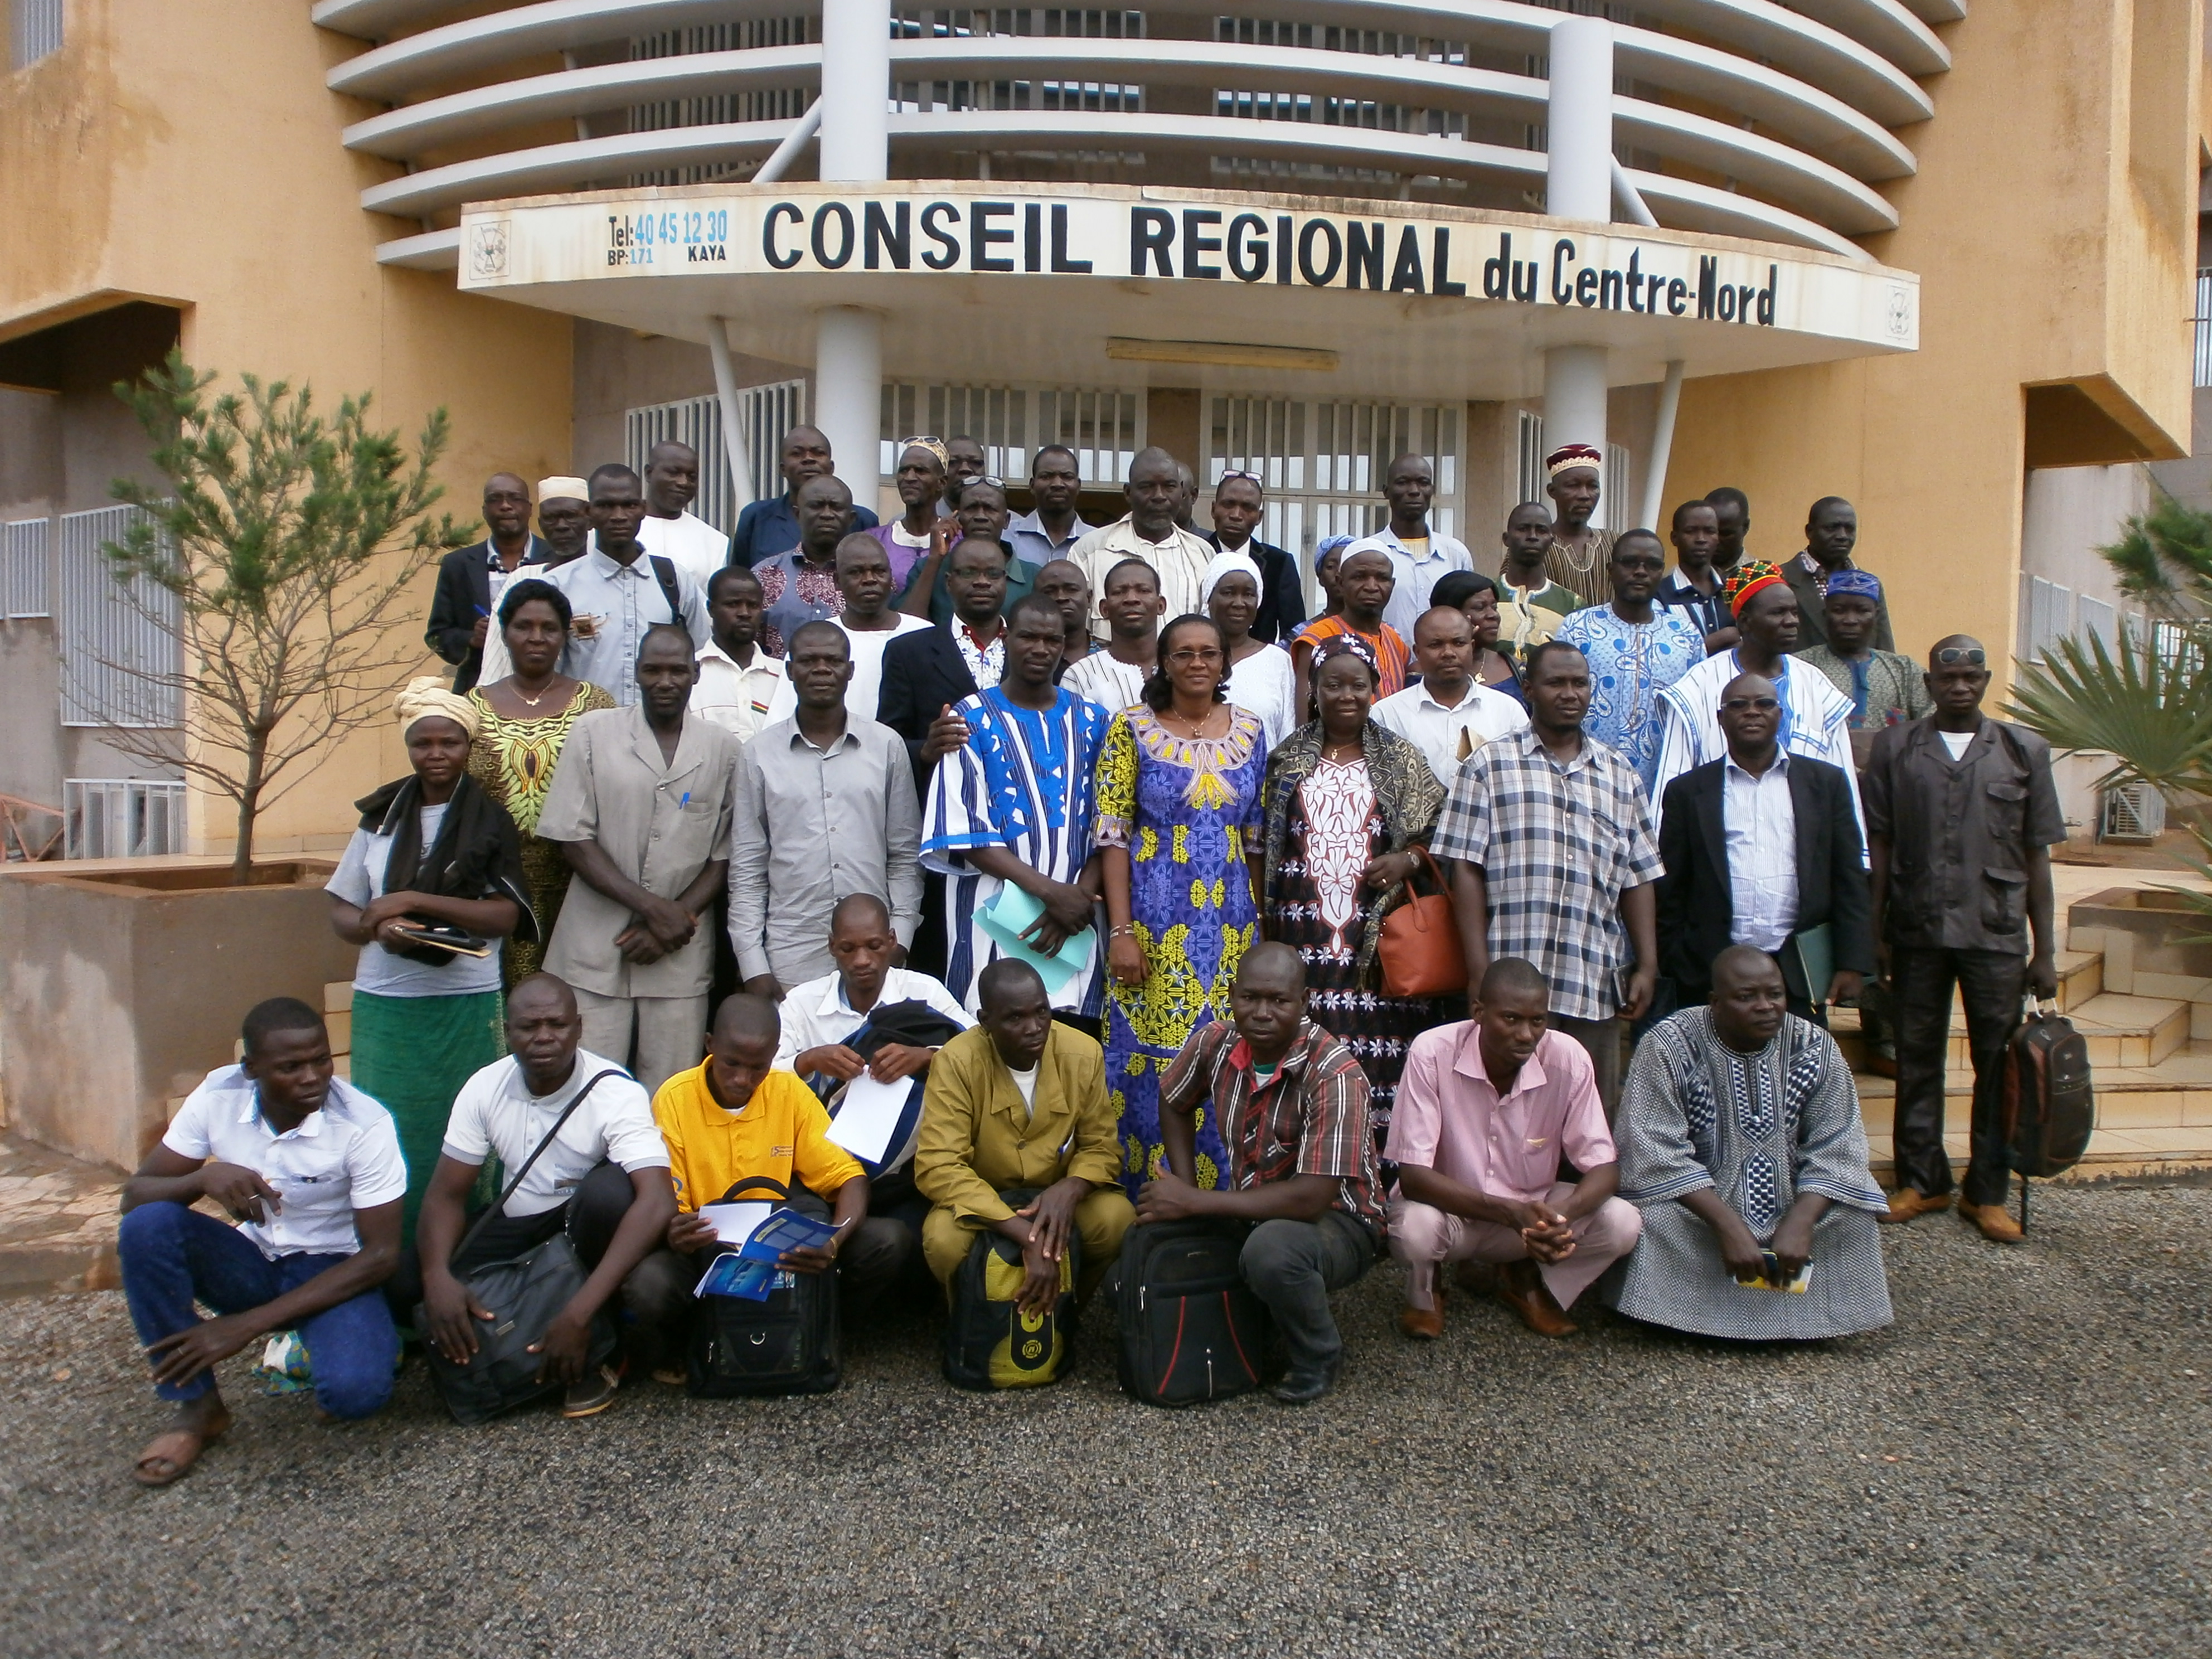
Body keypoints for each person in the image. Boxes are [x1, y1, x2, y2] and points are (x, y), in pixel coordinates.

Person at [118, 998, 405, 1486]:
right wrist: (202, 1180)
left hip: (330, 1268)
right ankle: (197, 1408)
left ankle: (329, 1341)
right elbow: (135, 1196)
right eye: (290, 1067)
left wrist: (245, 1327)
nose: (313, 1077)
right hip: (249, 1261)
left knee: (356, 1395)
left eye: (322, 1059)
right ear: (251, 1069)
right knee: (147, 1227)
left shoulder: (363, 1124)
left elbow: (381, 1256)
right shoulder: (217, 1096)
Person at [399, 973, 676, 1418]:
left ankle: (599, 1342)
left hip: (581, 1226)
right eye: (529, 1027)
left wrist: (577, 1312)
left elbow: (658, 1200)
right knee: (406, 1276)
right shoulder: (485, 1086)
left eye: (557, 1024)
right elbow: (446, 1196)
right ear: (509, 1032)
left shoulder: (616, 1092)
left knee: (610, 1192)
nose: (544, 1037)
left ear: (579, 1028)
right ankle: (503, 1340)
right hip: (518, 1223)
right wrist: (437, 1278)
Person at [1866, 636, 2064, 1243]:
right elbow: (1880, 848)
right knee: (1916, 1060)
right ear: (1927, 684)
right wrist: (1874, 937)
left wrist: (2046, 951)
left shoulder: (2021, 749)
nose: (1958, 686)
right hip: (1917, 930)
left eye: (1969, 677)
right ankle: (1921, 1181)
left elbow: (2037, 858)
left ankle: (1986, 1192)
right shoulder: (1895, 748)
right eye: (1946, 677)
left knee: (1996, 1063)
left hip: (1995, 932)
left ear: (1983, 681)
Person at [1603, 946, 1893, 1341]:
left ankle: (1806, 1316)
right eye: (1746, 997)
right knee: (1651, 1218)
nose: (1766, 1007)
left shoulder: (1814, 1046)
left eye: (1774, 994)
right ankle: (1686, 1319)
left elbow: (1838, 1146)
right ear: (1715, 1003)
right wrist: (1726, 1224)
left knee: (1855, 1214)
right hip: (1700, 1212)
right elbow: (1652, 1149)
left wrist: (1802, 1220)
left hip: (1792, 1204)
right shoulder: (1668, 1045)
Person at [328, 678, 530, 1238]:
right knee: (386, 1133)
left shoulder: (490, 818)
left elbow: (504, 917)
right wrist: (378, 928)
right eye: (424, 744)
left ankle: (462, 1265)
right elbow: (344, 910)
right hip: (386, 1007)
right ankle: (388, 1267)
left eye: (449, 743)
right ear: (408, 747)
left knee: (464, 1138)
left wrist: (412, 899)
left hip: (464, 1006)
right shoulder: (378, 817)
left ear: (468, 747)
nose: (436, 754)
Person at [625, 994, 917, 1379]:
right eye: (731, 1064)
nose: (743, 1079)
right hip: (707, 1253)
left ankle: (814, 1331)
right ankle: (695, 1344)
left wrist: (833, 1242)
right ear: (709, 1045)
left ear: (775, 1055)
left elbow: (849, 1177)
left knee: (888, 1239)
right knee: (648, 1286)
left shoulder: (788, 1091)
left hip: (782, 1253)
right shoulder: (675, 1098)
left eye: (757, 1067)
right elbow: (671, 1204)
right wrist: (677, 1231)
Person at [1140, 943, 1382, 1404]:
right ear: (1232, 995)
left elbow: (1310, 1199)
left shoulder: (1335, 1073)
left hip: (1339, 1221)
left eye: (1279, 1000)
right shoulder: (1216, 1041)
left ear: (1304, 1001)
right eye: (1249, 998)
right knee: (1155, 1231)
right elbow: (1173, 1101)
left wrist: (1196, 1203)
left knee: (1272, 1253)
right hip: (1255, 1206)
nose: (1262, 1013)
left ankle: (1317, 1353)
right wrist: (1187, 1188)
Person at [1434, 640, 1662, 1108]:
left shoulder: (1620, 775)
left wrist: (1647, 963)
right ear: (1530, 689)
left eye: (1579, 683)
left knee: (1588, 1119)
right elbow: (1466, 871)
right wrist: (1479, 971)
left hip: (1592, 979)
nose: (1569, 693)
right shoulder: (1488, 767)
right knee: (1503, 1114)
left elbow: (1638, 877)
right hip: (1510, 983)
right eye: (1556, 682)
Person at [1095, 614, 1270, 1194]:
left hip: (1229, 929)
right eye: (1184, 653)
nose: (1197, 663)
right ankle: (1142, 1197)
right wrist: (1120, 932)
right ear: (1163, 663)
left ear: (1224, 663)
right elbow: (1113, 835)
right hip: (1153, 921)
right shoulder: (1130, 728)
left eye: (1209, 653)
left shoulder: (1250, 729)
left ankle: (1223, 1194)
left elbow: (1253, 841)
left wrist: (1260, 932)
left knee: (1227, 1053)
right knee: (1151, 1060)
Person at [1385, 958, 1642, 1340]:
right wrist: (1510, 1213)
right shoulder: (1432, 1051)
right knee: (1415, 1231)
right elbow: (1414, 1180)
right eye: (1511, 1019)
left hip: (1531, 1215)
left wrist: (1558, 1217)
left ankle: (1528, 1279)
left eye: (1537, 1021)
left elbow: (1604, 1167)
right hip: (1454, 1214)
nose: (1526, 1034)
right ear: (1478, 1012)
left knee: (1623, 1223)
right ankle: (1427, 1290)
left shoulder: (1567, 1058)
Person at [1258, 636, 1445, 1153]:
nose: (1346, 695)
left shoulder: (1402, 759)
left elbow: (1442, 828)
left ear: (1375, 689)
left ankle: (1381, 1191)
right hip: (1304, 940)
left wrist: (1409, 858)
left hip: (1380, 945)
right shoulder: (1285, 759)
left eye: (1357, 685)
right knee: (1307, 1062)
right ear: (1314, 691)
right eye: (1333, 685)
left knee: (1383, 1068)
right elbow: (1263, 842)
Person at [536, 625, 739, 1095]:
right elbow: (573, 838)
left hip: (679, 954)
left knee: (669, 1093)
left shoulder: (724, 750)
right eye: (653, 670)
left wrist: (677, 920)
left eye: (676, 671)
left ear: (695, 675)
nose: (665, 681)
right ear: (637, 675)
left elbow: (724, 855)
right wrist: (655, 911)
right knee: (588, 1089)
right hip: (594, 946)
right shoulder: (592, 733)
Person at [922, 593, 1112, 1017]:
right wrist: (1051, 894)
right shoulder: (970, 718)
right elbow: (966, 832)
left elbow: (1110, 824)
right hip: (995, 914)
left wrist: (1077, 896)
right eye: (1029, 637)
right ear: (1006, 637)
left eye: (1052, 640)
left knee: (1071, 1037)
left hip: (1079, 918)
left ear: (1065, 646)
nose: (1040, 649)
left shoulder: (1096, 721)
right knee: (992, 1027)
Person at [913, 959, 1136, 1305]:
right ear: (986, 1022)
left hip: (1054, 1196)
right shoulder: (956, 1062)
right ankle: (974, 1330)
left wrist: (1071, 1189)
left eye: (1042, 1012)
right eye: (1015, 1018)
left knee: (1116, 1217)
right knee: (943, 1238)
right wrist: (1022, 1232)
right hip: (985, 1200)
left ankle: (1065, 1315)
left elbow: (1102, 1147)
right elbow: (938, 1166)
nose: (1034, 1028)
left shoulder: (1083, 1052)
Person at [1655, 673, 1873, 1022]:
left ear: (1780, 714)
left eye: (1764, 704)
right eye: (1738, 705)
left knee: (1796, 1071)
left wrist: (1851, 962)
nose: (1752, 712)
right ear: (1720, 719)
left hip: (1799, 970)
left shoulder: (1825, 784)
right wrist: (1677, 960)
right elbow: (1670, 890)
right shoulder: (1688, 792)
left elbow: (1848, 877)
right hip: (1711, 971)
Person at [731, 620, 923, 997]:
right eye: (808, 661)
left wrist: (901, 938)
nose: (821, 670)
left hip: (875, 955)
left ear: (850, 671)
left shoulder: (886, 746)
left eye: (833, 661)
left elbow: (904, 855)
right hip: (789, 953)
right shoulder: (758, 754)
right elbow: (748, 865)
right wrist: (752, 963)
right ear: (789, 671)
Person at [465, 578, 617, 985]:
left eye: (549, 628)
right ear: (505, 633)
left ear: (564, 635)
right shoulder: (470, 707)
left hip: (578, 878)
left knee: (572, 989)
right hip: (495, 883)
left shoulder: (597, 704)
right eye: (523, 627)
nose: (536, 638)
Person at [1650, 562, 1864, 841]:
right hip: (1718, 848)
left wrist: (1858, 862)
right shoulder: (1700, 685)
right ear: (1745, 622)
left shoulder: (1816, 685)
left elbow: (1843, 780)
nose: (1792, 621)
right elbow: (1673, 776)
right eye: (1778, 613)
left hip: (1808, 852)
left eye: (1794, 612)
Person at [541, 463, 710, 706]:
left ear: (642, 509)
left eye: (629, 505)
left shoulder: (675, 580)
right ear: (589, 513)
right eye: (606, 506)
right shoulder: (557, 586)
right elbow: (546, 671)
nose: (618, 516)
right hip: (585, 734)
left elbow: (700, 653)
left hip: (660, 735)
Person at [1554, 530, 1709, 792]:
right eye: (1630, 563)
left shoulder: (1686, 636)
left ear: (1662, 572)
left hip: (1664, 782)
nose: (1640, 571)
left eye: (1652, 565)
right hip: (1585, 778)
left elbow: (1698, 713)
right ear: (1611, 569)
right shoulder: (1578, 628)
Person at [774, 892, 973, 1076]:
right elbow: (764, 1074)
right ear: (832, 946)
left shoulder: (925, 992)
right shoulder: (801, 1004)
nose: (862, 960)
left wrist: (928, 1057)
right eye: (847, 949)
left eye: (874, 946)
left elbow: (979, 1047)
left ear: (892, 940)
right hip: (821, 1115)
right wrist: (809, 1061)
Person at [877, 536, 1014, 799]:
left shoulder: (1031, 649)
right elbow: (886, 742)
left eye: (993, 573)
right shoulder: (908, 652)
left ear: (1005, 581)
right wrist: (925, 750)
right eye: (969, 573)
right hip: (942, 805)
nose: (982, 581)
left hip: (1020, 809)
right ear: (949, 582)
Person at [1372, 604, 1529, 792]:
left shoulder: (1508, 711)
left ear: (1471, 647)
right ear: (1417, 653)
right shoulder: (1387, 715)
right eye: (1436, 645)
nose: (1448, 653)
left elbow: (1524, 780)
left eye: (1458, 643)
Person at [1071, 446, 1214, 639]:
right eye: (1147, 487)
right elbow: (1075, 632)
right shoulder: (1089, 550)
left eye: (1169, 486)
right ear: (1128, 493)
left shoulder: (1203, 554)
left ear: (1181, 491)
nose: (1159, 496)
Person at [426, 472, 551, 693]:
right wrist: (471, 639)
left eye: (514, 498)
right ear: (484, 511)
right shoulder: (458, 565)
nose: (505, 506)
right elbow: (437, 635)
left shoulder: (556, 559)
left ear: (530, 509)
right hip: (479, 687)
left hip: (547, 687)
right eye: (496, 499)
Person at [1796, 569, 1930, 762]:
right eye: (1839, 610)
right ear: (1826, 614)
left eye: (1862, 611)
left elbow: (1929, 726)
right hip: (1823, 775)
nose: (1850, 620)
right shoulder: (1801, 666)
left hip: (1892, 778)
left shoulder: (1905, 670)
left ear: (1876, 615)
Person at [1345, 452, 1474, 641]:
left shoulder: (1456, 553)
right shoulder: (1368, 554)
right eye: (1403, 482)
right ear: (1386, 491)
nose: (1414, 490)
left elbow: (1469, 612)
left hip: (1442, 667)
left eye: (1423, 482)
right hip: (1383, 663)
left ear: (1432, 490)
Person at [730, 424, 877, 566]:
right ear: (783, 469)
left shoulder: (863, 520)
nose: (808, 459)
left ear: (831, 467)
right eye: (797, 453)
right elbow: (740, 580)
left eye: (818, 453)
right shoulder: (755, 517)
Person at [1290, 544, 1409, 710]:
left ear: (1392, 584)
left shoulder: (1394, 640)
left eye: (1382, 578)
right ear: (1340, 582)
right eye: (1360, 577)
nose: (1371, 587)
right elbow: (1305, 717)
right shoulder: (1318, 637)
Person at [906, 477, 1039, 625]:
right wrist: (934, 559)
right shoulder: (928, 568)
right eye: (971, 508)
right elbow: (906, 628)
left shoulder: (1033, 576)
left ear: (1006, 520)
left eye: (990, 509)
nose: (980, 516)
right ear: (958, 518)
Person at [828, 531, 932, 721]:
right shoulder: (819, 641)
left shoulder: (925, 635)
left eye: (879, 571)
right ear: (837, 581)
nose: (869, 579)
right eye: (856, 572)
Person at [690, 564, 796, 744]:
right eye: (733, 604)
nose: (745, 613)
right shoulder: (691, 674)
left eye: (753, 606)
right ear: (711, 609)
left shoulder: (784, 677)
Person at [1203, 546, 1299, 746]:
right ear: (1209, 598)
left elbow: (1286, 736)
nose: (1239, 603)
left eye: (1248, 594)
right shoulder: (1188, 656)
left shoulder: (1278, 661)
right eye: (1228, 593)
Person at [755, 473, 858, 649]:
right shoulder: (763, 576)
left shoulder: (872, 579)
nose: (827, 514)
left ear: (851, 518)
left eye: (836, 507)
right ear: (797, 514)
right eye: (816, 506)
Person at [1201, 469, 1306, 643]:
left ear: (1260, 517)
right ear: (1213, 509)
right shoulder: (1193, 554)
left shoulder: (1279, 564)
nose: (1236, 515)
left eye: (1247, 508)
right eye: (1228, 504)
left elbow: (1294, 631)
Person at [1782, 496, 1894, 653]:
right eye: (1831, 528)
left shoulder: (1868, 585)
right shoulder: (1781, 580)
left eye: (1850, 529)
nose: (1842, 536)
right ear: (1810, 532)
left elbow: (1885, 649)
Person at [1061, 556, 1163, 714]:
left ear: (1161, 605)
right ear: (1104, 609)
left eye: (1143, 590)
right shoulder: (1079, 676)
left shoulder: (1183, 668)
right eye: (1119, 592)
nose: (1132, 599)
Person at [633, 439, 729, 587]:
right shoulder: (613, 530)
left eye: (692, 477)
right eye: (674, 473)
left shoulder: (715, 542)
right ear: (649, 473)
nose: (683, 482)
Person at [867, 436, 954, 596]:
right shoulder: (874, 541)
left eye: (921, 471)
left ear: (941, 483)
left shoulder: (958, 541)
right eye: (904, 471)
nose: (909, 478)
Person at [1495, 501, 1577, 662]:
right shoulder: (1485, 596)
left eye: (1541, 531)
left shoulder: (1573, 605)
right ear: (1506, 539)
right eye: (1523, 529)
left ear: (1552, 541)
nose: (1532, 536)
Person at [1433, 570, 1525, 703]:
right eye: (1479, 608)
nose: (1493, 615)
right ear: (1450, 615)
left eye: (1494, 607)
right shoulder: (1423, 673)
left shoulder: (1515, 667)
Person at [1541, 443, 1613, 607]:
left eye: (1593, 486)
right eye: (1573, 486)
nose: (1584, 495)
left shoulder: (1614, 543)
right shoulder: (1535, 544)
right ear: (1552, 491)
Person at [1656, 497, 1730, 647]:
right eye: (1691, 531)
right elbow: (1664, 654)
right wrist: (1726, 637)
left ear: (1718, 538)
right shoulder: (1659, 595)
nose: (1701, 539)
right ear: (1674, 538)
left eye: (1710, 531)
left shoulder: (1734, 590)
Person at [1006, 444, 1095, 569]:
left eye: (1067, 477)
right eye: (1046, 477)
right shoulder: (1006, 537)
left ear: (1078, 486)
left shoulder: (1097, 542)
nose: (1057, 484)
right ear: (1032, 486)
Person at [1034, 556, 1098, 679]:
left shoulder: (1110, 655)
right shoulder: (1026, 657)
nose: (1061, 597)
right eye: (1049, 591)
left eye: (1071, 590)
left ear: (1089, 599)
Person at [536, 475, 594, 566]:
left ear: (590, 520)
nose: (561, 526)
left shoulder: (609, 577)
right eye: (551, 518)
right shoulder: (525, 576)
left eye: (571, 516)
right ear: (540, 525)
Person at [1705, 486, 1752, 576]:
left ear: (1745, 527)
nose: (1716, 540)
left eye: (1726, 534)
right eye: (1710, 532)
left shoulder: (1760, 579)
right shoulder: (1681, 576)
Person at [943, 434, 988, 516]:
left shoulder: (1014, 525)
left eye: (976, 462)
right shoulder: (917, 522)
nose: (965, 469)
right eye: (953, 462)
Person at [1312, 534, 1352, 621]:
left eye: (1346, 565)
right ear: (1320, 577)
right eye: (1331, 567)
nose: (1339, 573)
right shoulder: (1303, 632)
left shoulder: (1385, 632)